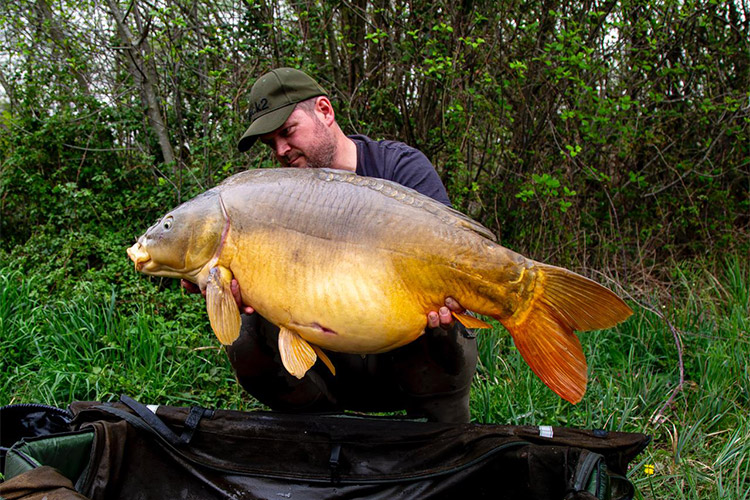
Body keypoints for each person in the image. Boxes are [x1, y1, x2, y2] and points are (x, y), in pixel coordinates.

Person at [189, 68, 478, 423]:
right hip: (330, 357)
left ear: (325, 111)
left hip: (408, 348)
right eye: (270, 143)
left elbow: (455, 257)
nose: (281, 150)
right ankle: (319, 430)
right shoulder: (273, 199)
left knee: (445, 328)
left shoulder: (401, 168)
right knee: (246, 334)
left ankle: (439, 433)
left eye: (287, 132)